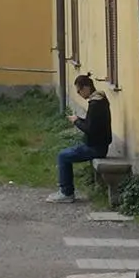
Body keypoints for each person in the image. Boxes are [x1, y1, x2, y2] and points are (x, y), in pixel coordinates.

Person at [49, 74, 113, 202]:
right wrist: (79, 120)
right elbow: (93, 125)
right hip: (98, 144)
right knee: (65, 154)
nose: (78, 93)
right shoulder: (100, 100)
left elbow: (90, 129)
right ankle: (66, 191)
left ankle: (66, 193)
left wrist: (76, 122)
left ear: (86, 88)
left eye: (79, 90)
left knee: (63, 156)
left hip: (96, 148)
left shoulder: (96, 104)